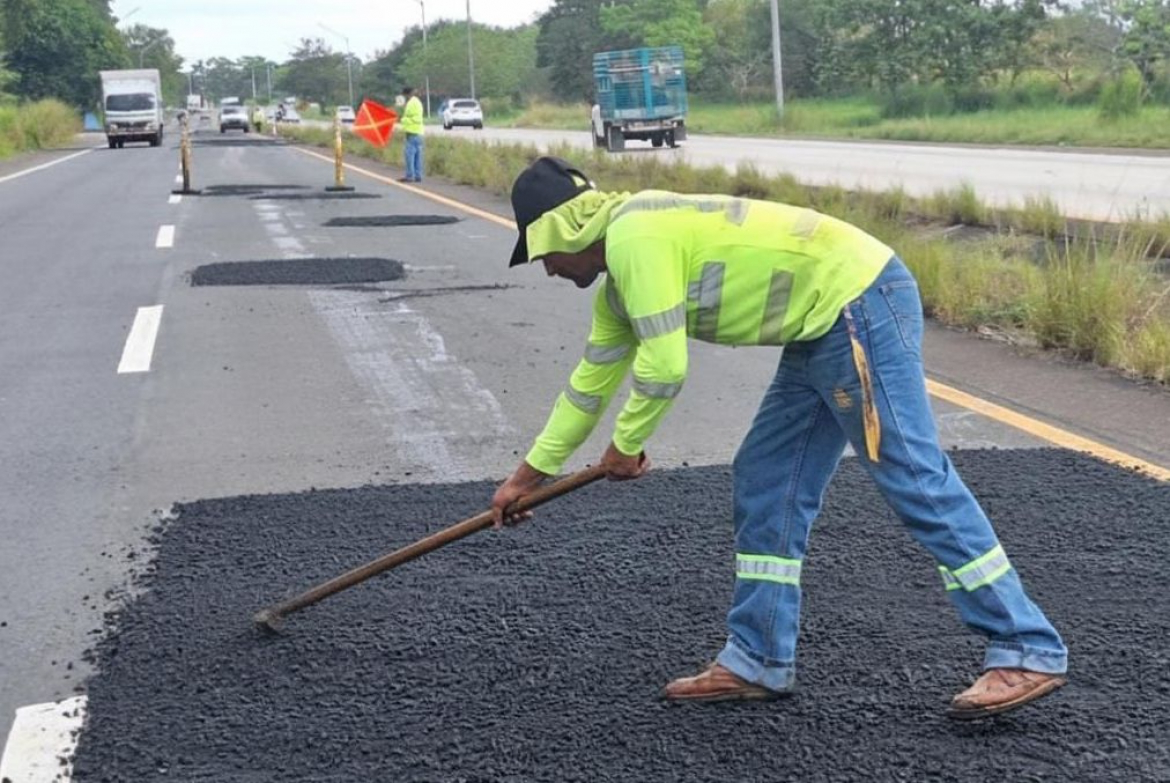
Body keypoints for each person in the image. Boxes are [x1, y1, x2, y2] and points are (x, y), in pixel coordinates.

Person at [491, 156, 1068, 720]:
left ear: (566, 227)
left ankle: (1024, 645)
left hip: (857, 300)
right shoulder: (619, 285)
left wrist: (625, 446)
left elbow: (664, 368)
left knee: (910, 470)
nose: (547, 268)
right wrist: (523, 481)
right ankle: (758, 656)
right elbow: (586, 391)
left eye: (543, 253)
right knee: (767, 475)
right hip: (820, 326)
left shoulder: (635, 237)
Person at [399, 86, 425, 183]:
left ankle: (410, 176)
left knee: (409, 156)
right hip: (419, 132)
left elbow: (413, 118)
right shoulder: (417, 102)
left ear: (407, 94)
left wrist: (403, 120)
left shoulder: (411, 103)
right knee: (418, 156)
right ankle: (418, 175)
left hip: (412, 132)